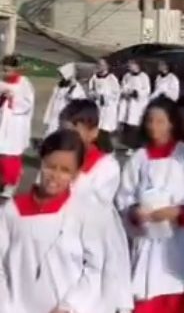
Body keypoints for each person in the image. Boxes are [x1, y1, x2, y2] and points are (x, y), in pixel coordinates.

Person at [117, 96, 184, 313]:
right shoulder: (139, 159)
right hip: (147, 243)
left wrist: (179, 212)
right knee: (147, 298)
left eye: (160, 121)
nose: (154, 127)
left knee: (177, 297)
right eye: (150, 121)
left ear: (172, 123)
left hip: (179, 241)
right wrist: (134, 212)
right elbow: (124, 195)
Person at [0, 129, 111, 313]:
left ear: (76, 174)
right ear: (40, 163)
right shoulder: (12, 210)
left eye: (65, 170)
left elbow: (95, 268)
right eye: (50, 166)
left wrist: (70, 306)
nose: (55, 175)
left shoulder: (83, 212)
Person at [59, 99, 133, 313]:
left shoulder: (106, 167)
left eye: (75, 132)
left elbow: (93, 206)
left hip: (91, 238)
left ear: (93, 132)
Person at [0, 55, 35, 198]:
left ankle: (11, 183)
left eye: (9, 70)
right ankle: (5, 178)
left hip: (15, 125)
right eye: (4, 69)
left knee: (10, 154)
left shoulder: (24, 84)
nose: (6, 73)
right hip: (2, 121)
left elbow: (27, 104)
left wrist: (13, 98)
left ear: (15, 69)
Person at [43, 62, 85, 136]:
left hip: (65, 119)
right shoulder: (59, 86)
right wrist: (47, 118)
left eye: (62, 75)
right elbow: (52, 102)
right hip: (54, 117)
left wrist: (72, 93)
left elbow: (80, 103)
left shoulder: (76, 88)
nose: (61, 77)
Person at [88, 58, 121, 152]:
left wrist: (106, 97)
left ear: (107, 66)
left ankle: (108, 149)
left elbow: (117, 93)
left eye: (102, 64)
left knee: (105, 129)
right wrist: (93, 95)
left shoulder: (111, 78)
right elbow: (90, 90)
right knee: (97, 127)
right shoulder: (94, 78)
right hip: (98, 106)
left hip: (108, 108)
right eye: (99, 64)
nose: (100, 66)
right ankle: (98, 148)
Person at [118, 59, 151, 151]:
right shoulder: (127, 76)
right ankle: (129, 145)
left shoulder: (144, 77)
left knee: (137, 125)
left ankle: (138, 146)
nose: (129, 66)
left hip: (139, 105)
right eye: (129, 65)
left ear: (137, 65)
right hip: (129, 104)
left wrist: (136, 93)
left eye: (131, 64)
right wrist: (125, 92)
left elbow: (147, 90)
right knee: (129, 126)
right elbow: (123, 86)